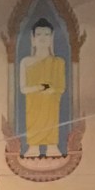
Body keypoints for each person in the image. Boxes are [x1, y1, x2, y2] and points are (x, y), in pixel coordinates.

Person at [19, 19, 67, 159]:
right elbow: (23, 89)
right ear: (33, 38)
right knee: (33, 123)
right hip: (33, 104)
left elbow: (61, 87)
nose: (42, 38)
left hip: (51, 103)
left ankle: (52, 146)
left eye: (46, 34)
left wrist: (52, 89)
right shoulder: (26, 62)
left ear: (51, 38)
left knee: (51, 122)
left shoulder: (58, 62)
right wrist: (39, 87)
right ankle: (33, 147)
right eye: (39, 34)